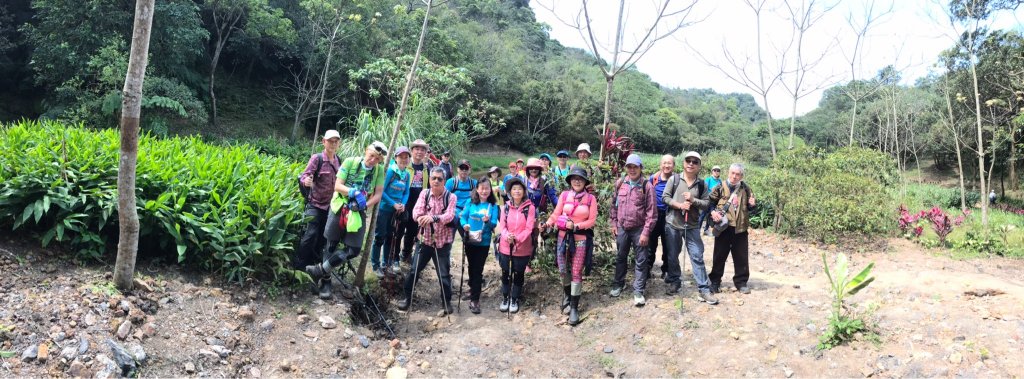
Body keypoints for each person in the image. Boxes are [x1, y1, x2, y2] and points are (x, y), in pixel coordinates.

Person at [306, 141, 388, 299]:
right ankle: (326, 283)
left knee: (354, 249)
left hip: (358, 212)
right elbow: (338, 186)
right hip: (340, 206)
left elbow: (378, 194)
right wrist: (353, 192)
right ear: (366, 151)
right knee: (331, 244)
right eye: (371, 155)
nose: (373, 160)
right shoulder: (350, 162)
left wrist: (365, 205)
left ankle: (319, 270)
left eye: (377, 159)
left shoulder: (378, 171)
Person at [397, 167, 459, 314]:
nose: (436, 181)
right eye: (433, 178)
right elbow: (416, 212)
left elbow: (450, 216)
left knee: (443, 274)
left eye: (439, 179)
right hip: (424, 240)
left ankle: (446, 302)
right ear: (429, 179)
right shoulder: (424, 194)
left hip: (443, 242)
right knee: (414, 270)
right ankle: (407, 298)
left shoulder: (451, 197)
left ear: (444, 181)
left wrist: (433, 218)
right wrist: (421, 219)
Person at [661, 152, 718, 305]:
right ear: (684, 163)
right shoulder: (674, 179)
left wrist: (693, 200)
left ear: (699, 166)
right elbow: (665, 197)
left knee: (697, 255)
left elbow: (706, 204)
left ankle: (704, 289)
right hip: (673, 224)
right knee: (672, 255)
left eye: (695, 162)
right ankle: (675, 281)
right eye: (688, 160)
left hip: (692, 225)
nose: (691, 164)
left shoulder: (702, 184)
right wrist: (679, 205)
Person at [544, 168, 597, 326]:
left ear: (585, 182)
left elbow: (592, 221)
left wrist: (576, 226)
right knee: (562, 269)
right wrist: (547, 223)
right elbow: (556, 214)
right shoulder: (564, 195)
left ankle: (574, 307)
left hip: (580, 239)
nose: (577, 181)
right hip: (563, 238)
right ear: (570, 181)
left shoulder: (590, 199)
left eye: (580, 178)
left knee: (576, 271)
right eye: (574, 178)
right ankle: (567, 295)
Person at [609, 154, 658, 306]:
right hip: (622, 228)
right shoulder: (620, 183)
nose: (632, 170)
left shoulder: (647, 186)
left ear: (640, 168)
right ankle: (619, 284)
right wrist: (613, 223)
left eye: (635, 167)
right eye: (629, 167)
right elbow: (614, 205)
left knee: (641, 260)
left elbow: (652, 213)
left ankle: (638, 291)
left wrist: (646, 232)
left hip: (639, 229)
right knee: (620, 257)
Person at [295, 130, 341, 271]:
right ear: (324, 142)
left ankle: (315, 266)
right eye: (330, 141)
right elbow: (305, 175)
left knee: (323, 237)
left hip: (331, 207)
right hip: (315, 204)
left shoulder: (339, 160)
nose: (333, 144)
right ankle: (300, 267)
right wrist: (306, 181)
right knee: (310, 235)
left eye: (336, 141)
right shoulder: (317, 158)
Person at [708, 163, 756, 295]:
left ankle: (741, 283)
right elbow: (710, 202)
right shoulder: (719, 187)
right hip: (723, 228)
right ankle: (715, 282)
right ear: (728, 173)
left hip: (740, 228)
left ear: (742, 176)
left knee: (741, 256)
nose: (734, 176)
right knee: (719, 256)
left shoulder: (746, 188)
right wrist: (713, 212)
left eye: (738, 174)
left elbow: (750, 207)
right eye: (732, 173)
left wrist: (752, 205)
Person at [459, 176, 500, 314]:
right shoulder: (470, 202)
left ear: (490, 190)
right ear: (477, 189)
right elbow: (463, 217)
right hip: (470, 240)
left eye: (487, 188)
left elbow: (493, 224)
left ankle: (475, 300)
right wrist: (465, 225)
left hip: (484, 242)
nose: (484, 191)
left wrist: (488, 221)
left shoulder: (493, 206)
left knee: (477, 269)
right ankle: (472, 289)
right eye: (482, 188)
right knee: (471, 267)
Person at [370, 146, 412, 276]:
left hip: (396, 212)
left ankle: (386, 263)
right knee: (380, 237)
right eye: (401, 157)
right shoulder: (390, 171)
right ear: (395, 158)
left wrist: (403, 204)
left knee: (390, 237)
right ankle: (375, 265)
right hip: (384, 209)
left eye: (406, 157)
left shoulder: (407, 174)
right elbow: (380, 191)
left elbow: (406, 192)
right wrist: (393, 204)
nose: (404, 159)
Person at [496, 178, 536, 313]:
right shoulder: (505, 207)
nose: (517, 191)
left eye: (519, 189)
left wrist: (517, 239)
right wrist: (507, 236)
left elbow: (529, 228)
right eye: (514, 189)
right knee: (505, 272)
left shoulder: (530, 208)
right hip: (506, 246)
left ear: (524, 191)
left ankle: (515, 298)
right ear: (510, 192)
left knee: (519, 273)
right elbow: (502, 226)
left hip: (522, 247)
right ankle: (505, 297)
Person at [396, 139, 433, 264]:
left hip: (418, 205)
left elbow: (428, 187)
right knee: (399, 230)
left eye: (422, 150)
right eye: (417, 149)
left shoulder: (426, 168)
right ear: (412, 151)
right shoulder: (405, 165)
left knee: (412, 231)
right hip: (404, 202)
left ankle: (406, 254)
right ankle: (394, 257)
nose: (419, 152)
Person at [648, 154, 675, 279]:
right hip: (654, 215)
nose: (666, 165)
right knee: (650, 244)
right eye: (664, 163)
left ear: (673, 166)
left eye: (669, 163)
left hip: (669, 216)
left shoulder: (676, 180)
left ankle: (666, 270)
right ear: (660, 165)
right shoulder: (653, 178)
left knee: (668, 245)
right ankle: (647, 269)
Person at [445, 159, 478, 237]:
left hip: (468, 212)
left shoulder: (474, 183)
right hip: (454, 212)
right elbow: (444, 199)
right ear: (457, 169)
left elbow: (479, 199)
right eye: (461, 168)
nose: (464, 170)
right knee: (449, 238)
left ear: (469, 170)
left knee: (469, 239)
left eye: (466, 168)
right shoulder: (451, 182)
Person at [699, 165, 723, 236]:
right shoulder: (708, 179)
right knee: (702, 215)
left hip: (715, 201)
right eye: (715, 170)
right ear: (712, 171)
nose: (716, 172)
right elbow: (704, 190)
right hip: (707, 200)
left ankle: (706, 230)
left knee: (710, 216)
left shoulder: (720, 181)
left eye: (718, 170)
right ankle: (697, 231)